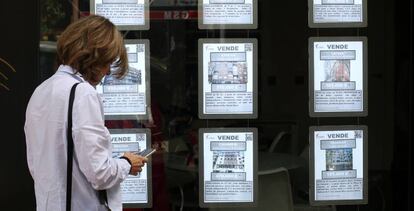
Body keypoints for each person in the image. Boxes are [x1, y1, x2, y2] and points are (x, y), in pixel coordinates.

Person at [24, 15, 147, 211]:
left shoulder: (41, 91)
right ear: (94, 57)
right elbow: (100, 173)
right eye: (107, 62)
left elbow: (36, 165)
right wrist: (126, 163)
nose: (107, 72)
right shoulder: (82, 93)